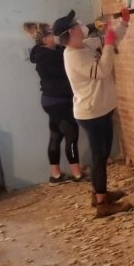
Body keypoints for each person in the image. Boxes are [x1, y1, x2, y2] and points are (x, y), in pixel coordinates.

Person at [52, 9, 130, 218]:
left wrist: (123, 23)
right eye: (75, 24)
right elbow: (102, 70)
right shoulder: (73, 56)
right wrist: (110, 44)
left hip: (100, 109)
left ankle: (98, 193)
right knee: (99, 157)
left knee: (101, 156)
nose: (80, 25)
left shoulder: (85, 45)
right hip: (92, 113)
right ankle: (103, 204)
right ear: (70, 33)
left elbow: (109, 41)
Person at [24, 22, 85, 184]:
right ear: (44, 39)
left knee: (56, 135)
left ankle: (55, 175)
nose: (55, 36)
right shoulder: (46, 56)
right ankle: (77, 174)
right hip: (58, 101)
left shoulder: (55, 51)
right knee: (71, 134)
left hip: (51, 101)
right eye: (50, 34)